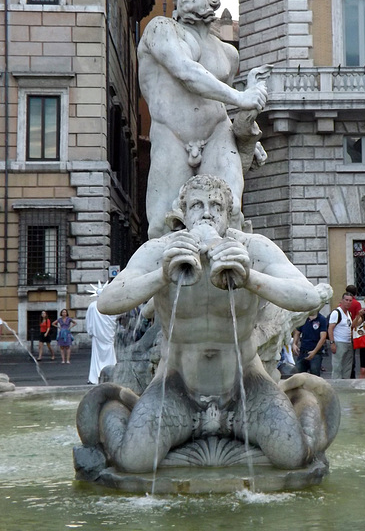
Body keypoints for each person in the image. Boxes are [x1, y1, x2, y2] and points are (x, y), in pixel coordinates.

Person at [94, 174, 336, 473]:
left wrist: (249, 277)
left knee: (292, 455)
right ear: (183, 214)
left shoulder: (253, 248)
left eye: (216, 206)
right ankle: (118, 405)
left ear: (228, 214)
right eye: (197, 205)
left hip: (244, 386)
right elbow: (107, 302)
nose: (207, 212)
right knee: (133, 461)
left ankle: (299, 399)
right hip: (178, 387)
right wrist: (163, 274)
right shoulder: (160, 250)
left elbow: (308, 296)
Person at [137, 0, 268, 238]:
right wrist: (242, 98)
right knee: (162, 227)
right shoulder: (161, 29)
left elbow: (218, 99)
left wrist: (244, 138)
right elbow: (186, 72)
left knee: (229, 215)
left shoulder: (228, 54)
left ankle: (230, 274)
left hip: (217, 134)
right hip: (171, 135)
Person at [86, 296, 119, 384]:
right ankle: (112, 375)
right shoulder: (111, 305)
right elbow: (115, 318)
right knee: (110, 352)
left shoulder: (92, 306)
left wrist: (90, 332)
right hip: (108, 334)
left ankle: (95, 377)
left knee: (97, 355)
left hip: (97, 334)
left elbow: (88, 320)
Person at [292, 311, 327, 376]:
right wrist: (294, 344)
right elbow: (297, 332)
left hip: (316, 353)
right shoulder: (303, 318)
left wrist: (314, 351)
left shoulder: (322, 319)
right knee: (298, 374)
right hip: (303, 351)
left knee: (314, 375)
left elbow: (323, 338)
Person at [328, 293, 353, 379]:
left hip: (349, 343)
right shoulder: (336, 312)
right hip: (339, 342)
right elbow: (330, 328)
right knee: (337, 367)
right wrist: (332, 343)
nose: (348, 302)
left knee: (347, 368)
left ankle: (345, 386)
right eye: (346, 300)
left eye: (350, 300)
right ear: (342, 301)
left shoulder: (349, 313)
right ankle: (336, 386)